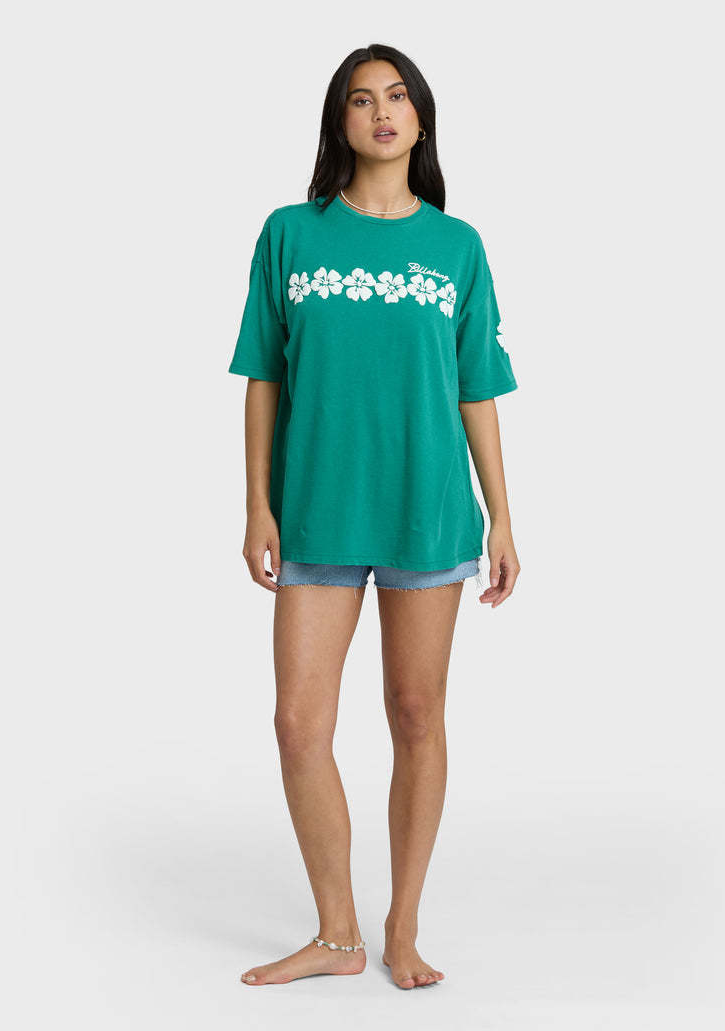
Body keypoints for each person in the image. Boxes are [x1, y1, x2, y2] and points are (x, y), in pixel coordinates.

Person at [230, 43, 521, 990]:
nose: (381, 113)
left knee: (416, 712)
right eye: (360, 100)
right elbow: (263, 375)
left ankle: (401, 927)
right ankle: (337, 934)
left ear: (420, 118)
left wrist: (502, 517)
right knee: (297, 722)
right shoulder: (290, 233)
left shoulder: (457, 246)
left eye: (397, 97)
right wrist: (256, 502)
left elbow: (476, 388)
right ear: (340, 122)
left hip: (427, 510)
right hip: (315, 508)